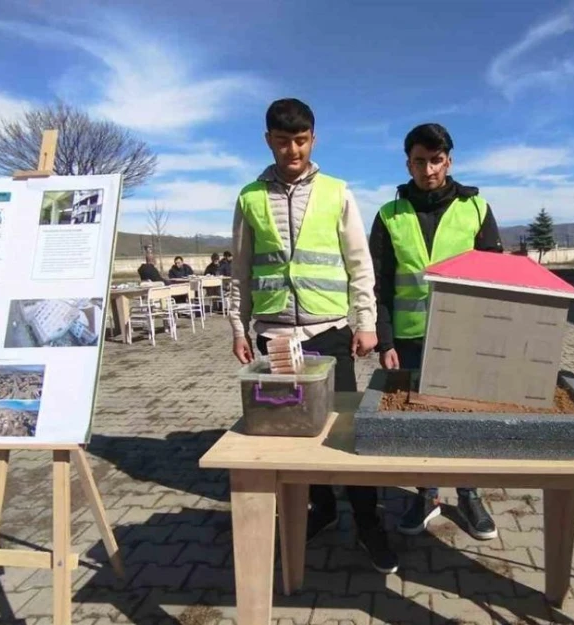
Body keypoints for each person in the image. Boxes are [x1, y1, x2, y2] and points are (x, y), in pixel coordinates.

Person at [229, 98, 397, 574]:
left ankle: (369, 524)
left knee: (347, 435)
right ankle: (320, 509)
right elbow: (240, 271)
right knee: (289, 434)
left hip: (329, 334)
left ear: (313, 139)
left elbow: (359, 264)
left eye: (300, 140)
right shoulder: (249, 197)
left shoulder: (337, 192)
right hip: (275, 340)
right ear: (268, 141)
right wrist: (239, 328)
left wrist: (365, 323)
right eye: (282, 141)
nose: (292, 150)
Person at [369, 122, 503, 540]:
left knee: (465, 418)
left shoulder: (476, 208)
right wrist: (386, 340)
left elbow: (496, 279)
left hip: (465, 337)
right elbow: (380, 284)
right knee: (420, 417)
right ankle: (426, 493)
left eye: (436, 160)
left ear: (449, 160)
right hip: (409, 340)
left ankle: (468, 492)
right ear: (407, 162)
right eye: (419, 161)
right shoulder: (389, 215)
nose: (428, 170)